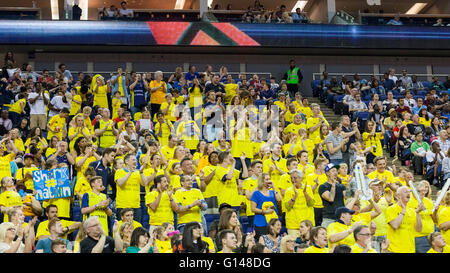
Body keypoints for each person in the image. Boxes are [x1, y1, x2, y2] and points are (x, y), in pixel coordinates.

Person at [386, 186, 425, 253]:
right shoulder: (391, 209)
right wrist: (403, 210)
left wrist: (418, 213)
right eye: (405, 192)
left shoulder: (412, 211)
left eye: (409, 192)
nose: (408, 193)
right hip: (395, 249)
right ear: (398, 196)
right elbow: (395, 225)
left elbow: (419, 229)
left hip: (410, 250)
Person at [250, 173, 282, 240]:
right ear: (262, 181)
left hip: (273, 223)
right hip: (261, 223)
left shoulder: (272, 192)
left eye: (269, 179)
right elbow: (253, 209)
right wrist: (265, 211)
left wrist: (274, 188)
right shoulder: (256, 193)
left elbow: (279, 199)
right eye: (267, 179)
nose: (269, 181)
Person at [283, 169, 314, 235]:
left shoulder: (308, 188)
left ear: (300, 178)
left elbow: (311, 204)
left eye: (295, 178)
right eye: (291, 178)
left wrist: (305, 193)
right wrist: (295, 196)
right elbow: (288, 207)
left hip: (307, 225)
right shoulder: (288, 191)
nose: (293, 180)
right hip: (293, 226)